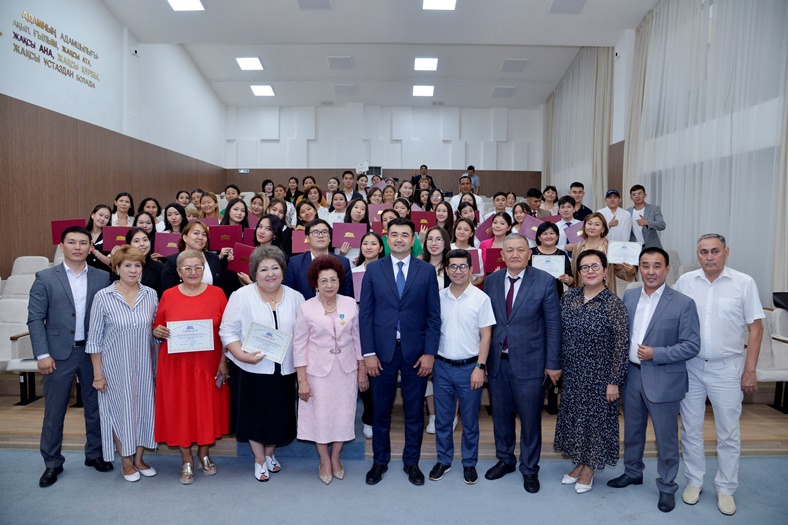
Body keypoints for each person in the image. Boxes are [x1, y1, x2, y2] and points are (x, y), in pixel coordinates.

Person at [674, 234, 765, 516]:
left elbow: (756, 328)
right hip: (691, 366)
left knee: (728, 432)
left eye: (715, 251)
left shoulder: (744, 282)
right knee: (690, 428)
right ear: (697, 255)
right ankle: (694, 481)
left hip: (727, 368)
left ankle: (726, 487)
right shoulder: (685, 282)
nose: (709, 256)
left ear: (726, 252)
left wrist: (750, 370)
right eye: (704, 252)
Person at [607, 247, 700, 513]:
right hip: (632, 376)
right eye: (645, 265)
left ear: (667, 269)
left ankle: (667, 486)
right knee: (632, 431)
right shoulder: (630, 295)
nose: (650, 271)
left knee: (666, 438)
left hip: (663, 378)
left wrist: (656, 353)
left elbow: (691, 345)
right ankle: (633, 472)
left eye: (657, 266)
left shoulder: (683, 303)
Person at [28, 226, 113, 487]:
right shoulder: (45, 277)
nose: (77, 247)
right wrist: (42, 354)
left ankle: (95, 454)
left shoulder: (102, 277)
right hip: (58, 355)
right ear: (62, 246)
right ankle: (52, 463)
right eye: (72, 242)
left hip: (93, 353)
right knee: (54, 412)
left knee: (96, 408)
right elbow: (35, 318)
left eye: (83, 242)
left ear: (90, 247)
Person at [360, 218, 441, 486]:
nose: (398, 239)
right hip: (381, 353)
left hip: (416, 353)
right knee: (380, 411)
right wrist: (368, 353)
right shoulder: (374, 269)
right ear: (387, 238)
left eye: (404, 235)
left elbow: (433, 316)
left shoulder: (426, 271)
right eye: (393, 234)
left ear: (413, 239)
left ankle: (411, 463)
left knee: (415, 411)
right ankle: (379, 462)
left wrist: (430, 353)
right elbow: (366, 314)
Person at [483, 233, 561, 494]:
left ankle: (529, 468)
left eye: (520, 250)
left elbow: (553, 325)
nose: (515, 254)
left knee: (530, 420)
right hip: (497, 362)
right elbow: (487, 323)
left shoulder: (545, 281)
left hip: (531, 363)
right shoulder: (492, 281)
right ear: (502, 255)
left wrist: (553, 363)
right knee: (501, 417)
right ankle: (505, 460)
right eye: (510, 250)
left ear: (529, 254)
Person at [219, 246, 304, 482]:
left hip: (284, 370)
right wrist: (241, 355)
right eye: (263, 269)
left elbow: (304, 334)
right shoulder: (241, 295)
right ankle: (259, 459)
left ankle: (270, 454)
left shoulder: (296, 297)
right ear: (254, 273)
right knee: (254, 416)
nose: (270, 274)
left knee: (279, 415)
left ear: (283, 271)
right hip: (250, 368)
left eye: (275, 268)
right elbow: (227, 331)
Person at [152, 250, 230, 485]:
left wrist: (223, 361)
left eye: (198, 267)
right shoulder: (168, 295)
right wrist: (158, 331)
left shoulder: (217, 294)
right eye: (187, 268)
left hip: (209, 364)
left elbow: (227, 331)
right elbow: (158, 326)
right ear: (179, 271)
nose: (193, 272)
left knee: (207, 410)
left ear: (204, 269)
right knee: (181, 410)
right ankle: (186, 459)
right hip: (176, 365)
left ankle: (203, 454)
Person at [555, 250, 629, 494]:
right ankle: (580, 462)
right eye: (584, 267)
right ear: (578, 272)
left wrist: (614, 381)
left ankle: (589, 468)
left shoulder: (613, 304)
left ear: (605, 270)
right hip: (573, 372)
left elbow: (621, 345)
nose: (590, 271)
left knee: (596, 422)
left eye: (595, 266)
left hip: (601, 375)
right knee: (577, 419)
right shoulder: (569, 298)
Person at [292, 256, 367, 484]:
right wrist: (302, 380)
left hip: (346, 370)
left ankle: (336, 456)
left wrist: (361, 368)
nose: (329, 285)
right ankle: (324, 459)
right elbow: (299, 345)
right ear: (315, 284)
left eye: (333, 280)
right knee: (320, 415)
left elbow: (357, 338)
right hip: (317, 372)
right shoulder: (306, 308)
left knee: (344, 414)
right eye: (323, 281)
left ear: (340, 281)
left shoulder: (349, 304)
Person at [87, 246, 158, 482]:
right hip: (114, 368)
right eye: (127, 265)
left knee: (142, 411)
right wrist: (98, 374)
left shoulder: (151, 295)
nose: (133, 270)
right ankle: (126, 462)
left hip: (144, 366)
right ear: (116, 268)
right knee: (120, 414)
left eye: (137, 265)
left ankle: (139, 459)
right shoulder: (103, 297)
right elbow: (94, 339)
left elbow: (155, 333)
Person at [428, 249, 495, 485]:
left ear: (471, 269)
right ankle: (444, 460)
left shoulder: (481, 298)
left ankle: (469, 463)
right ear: (446, 270)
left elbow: (486, 336)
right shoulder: (437, 297)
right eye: (453, 267)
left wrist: (480, 367)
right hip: (442, 367)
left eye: (463, 266)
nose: (458, 271)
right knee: (443, 420)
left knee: (469, 422)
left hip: (470, 368)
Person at [351, 231, 385, 440]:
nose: (369, 247)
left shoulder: (386, 270)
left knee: (377, 372)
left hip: (381, 326)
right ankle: (368, 417)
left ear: (381, 248)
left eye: (374, 243)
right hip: (356, 324)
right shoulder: (353, 271)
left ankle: (377, 415)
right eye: (365, 243)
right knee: (362, 371)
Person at [283, 219, 354, 300]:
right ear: (307, 238)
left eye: (324, 232)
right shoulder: (294, 263)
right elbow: (289, 296)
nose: (320, 236)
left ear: (330, 238)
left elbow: (348, 297)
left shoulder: (343, 262)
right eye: (315, 232)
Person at [570, 213, 636, 296]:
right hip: (582, 291)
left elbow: (619, 271)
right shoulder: (577, 247)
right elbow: (574, 271)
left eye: (597, 224)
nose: (592, 227)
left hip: (605, 292)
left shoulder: (610, 247)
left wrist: (631, 271)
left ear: (603, 229)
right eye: (589, 224)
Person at [160, 221, 224, 292]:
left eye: (204, 234)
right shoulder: (173, 261)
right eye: (196, 233)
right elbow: (167, 291)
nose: (200, 237)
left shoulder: (213, 258)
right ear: (185, 237)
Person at [530, 222, 573, 297]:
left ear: (557, 237)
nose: (548, 236)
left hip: (556, 294)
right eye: (544, 234)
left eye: (552, 233)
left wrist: (567, 279)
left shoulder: (562, 254)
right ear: (539, 237)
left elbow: (571, 279)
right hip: (533, 294)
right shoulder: (530, 253)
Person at [125, 228, 163, 295]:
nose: (142, 244)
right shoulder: (121, 266)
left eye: (145, 240)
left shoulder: (160, 268)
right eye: (136, 241)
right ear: (129, 244)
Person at [628, 185, 666, 249]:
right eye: (634, 195)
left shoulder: (654, 209)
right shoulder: (628, 212)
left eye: (640, 193)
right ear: (631, 198)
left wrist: (647, 222)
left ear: (645, 195)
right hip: (635, 247)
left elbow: (662, 225)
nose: (637, 196)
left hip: (652, 247)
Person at [86, 204, 113, 273]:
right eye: (100, 215)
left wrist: (93, 250)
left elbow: (110, 262)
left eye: (107, 217)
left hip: (104, 274)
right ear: (92, 215)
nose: (102, 219)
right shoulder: (84, 234)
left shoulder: (110, 236)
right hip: (85, 273)